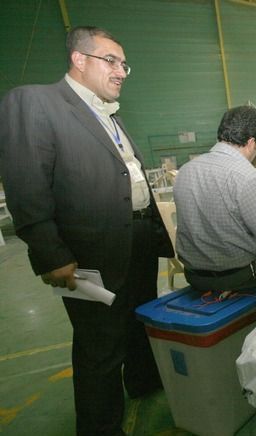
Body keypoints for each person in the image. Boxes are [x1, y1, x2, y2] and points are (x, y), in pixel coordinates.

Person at [0, 26, 174, 435]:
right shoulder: (35, 103)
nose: (121, 72)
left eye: (123, 64)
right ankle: (101, 427)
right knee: (99, 346)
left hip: (136, 241)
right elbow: (26, 186)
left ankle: (144, 382)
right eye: (111, 61)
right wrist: (51, 252)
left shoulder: (108, 116)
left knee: (137, 323)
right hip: (88, 253)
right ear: (79, 60)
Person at [173, 105, 256, 307]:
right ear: (251, 143)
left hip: (193, 274)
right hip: (234, 275)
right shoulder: (246, 176)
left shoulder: (186, 170)